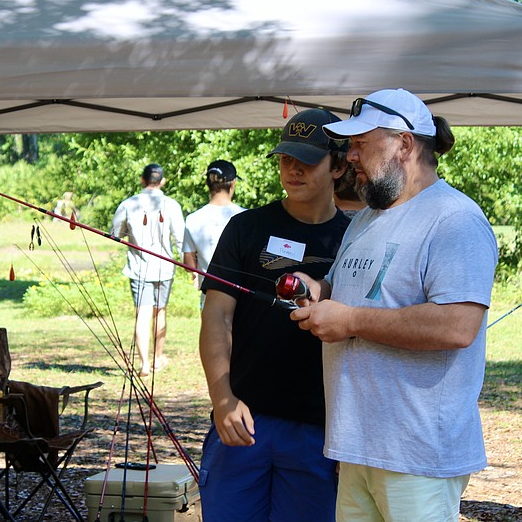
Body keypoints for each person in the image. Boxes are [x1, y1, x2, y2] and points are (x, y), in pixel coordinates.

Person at [290, 88, 498, 521]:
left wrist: (348, 320)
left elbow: (457, 327)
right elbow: (361, 293)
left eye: (360, 144)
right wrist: (321, 293)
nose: (350, 157)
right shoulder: (367, 217)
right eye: (350, 145)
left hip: (417, 454)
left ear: (404, 144)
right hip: (357, 444)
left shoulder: (454, 219)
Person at [198, 109, 350, 522]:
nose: (293, 169)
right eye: (285, 158)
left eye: (307, 159)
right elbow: (216, 317)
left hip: (321, 432)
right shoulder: (245, 227)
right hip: (243, 420)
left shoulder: (356, 237)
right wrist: (222, 397)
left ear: (338, 165)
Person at [110, 163, 185, 377]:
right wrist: (191, 267)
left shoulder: (128, 204)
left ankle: (144, 364)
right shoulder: (171, 205)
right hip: (165, 268)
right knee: (160, 311)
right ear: (162, 181)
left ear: (142, 180)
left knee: (142, 314)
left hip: (139, 268)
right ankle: (157, 358)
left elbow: (115, 233)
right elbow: (181, 239)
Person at [182, 160, 245, 305]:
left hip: (209, 296)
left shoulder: (192, 219)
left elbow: (188, 263)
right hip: (242, 297)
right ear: (233, 183)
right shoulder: (247, 217)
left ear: (207, 184)